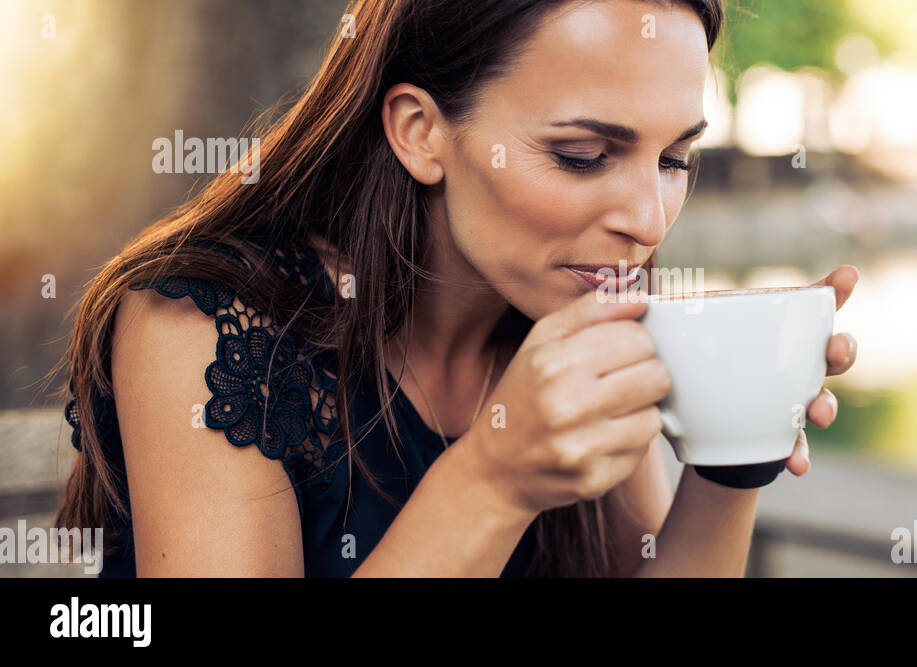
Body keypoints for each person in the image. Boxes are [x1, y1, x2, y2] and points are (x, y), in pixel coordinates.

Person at [54, 0, 860, 577]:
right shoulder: (197, 324)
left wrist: (737, 447)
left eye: (675, 159)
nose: (650, 219)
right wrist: (495, 480)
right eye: (583, 154)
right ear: (420, 132)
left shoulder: (575, 315)